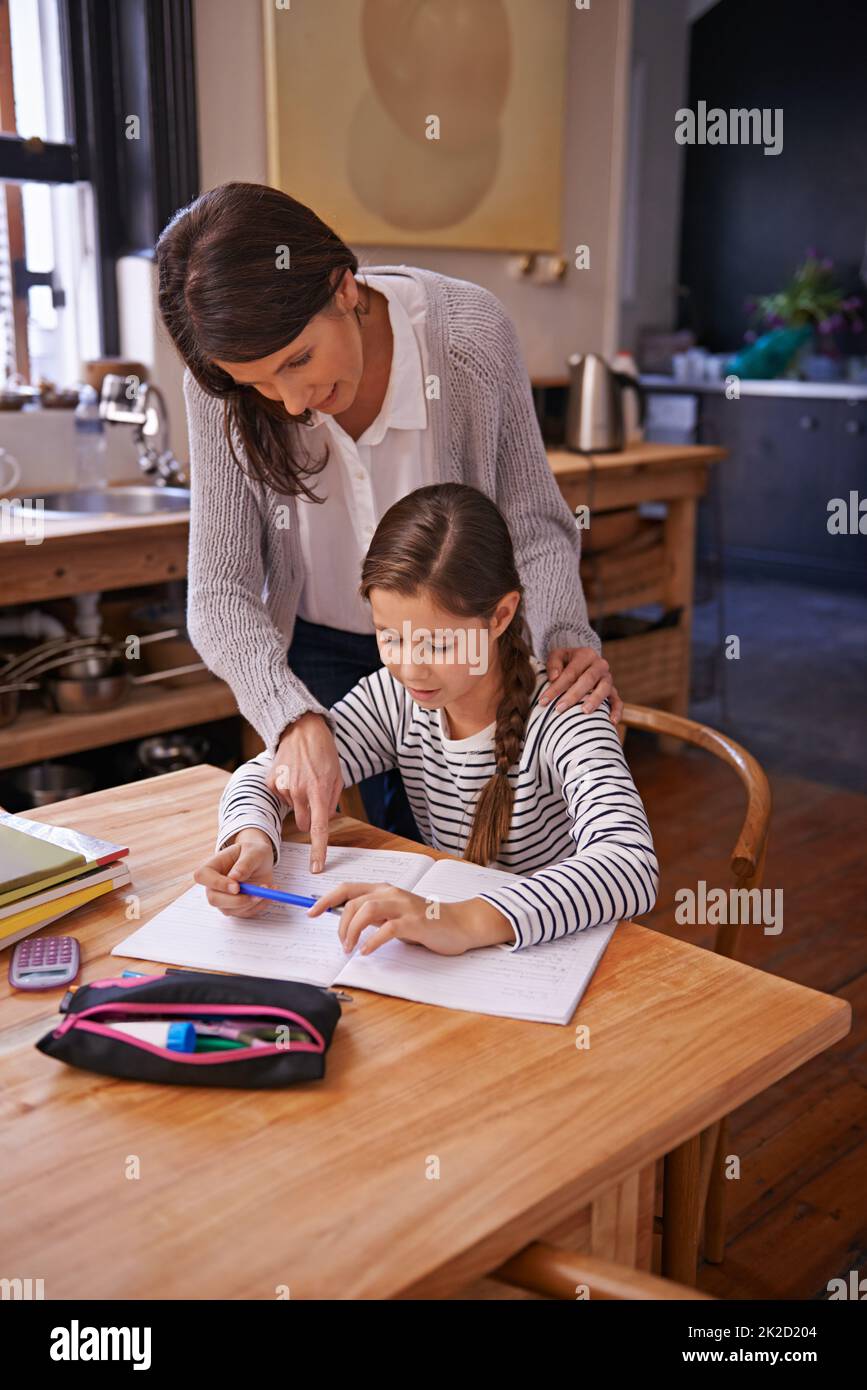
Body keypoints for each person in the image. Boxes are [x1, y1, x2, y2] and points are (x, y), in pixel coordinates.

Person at [156, 182, 622, 871]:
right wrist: (290, 715)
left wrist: (560, 645)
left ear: (344, 288)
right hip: (317, 655)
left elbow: (530, 521)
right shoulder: (221, 383)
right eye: (259, 383)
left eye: (298, 360)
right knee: (385, 857)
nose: (289, 401)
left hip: (460, 644)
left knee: (481, 854)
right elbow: (219, 593)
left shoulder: (467, 336)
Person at [194, 484, 657, 957]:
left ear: (500, 615)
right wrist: (253, 838)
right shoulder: (395, 698)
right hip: (448, 955)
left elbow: (630, 865)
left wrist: (465, 918)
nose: (411, 668)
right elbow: (264, 774)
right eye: (388, 636)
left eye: (437, 645)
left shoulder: (566, 710)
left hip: (552, 955)